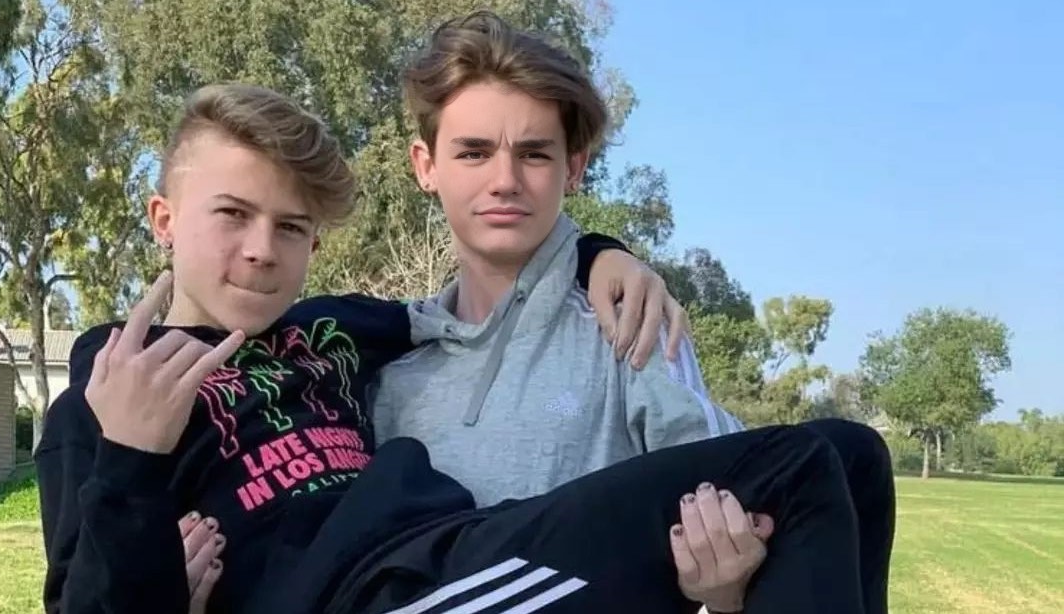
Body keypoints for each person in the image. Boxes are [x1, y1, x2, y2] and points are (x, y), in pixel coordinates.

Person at [36, 83, 871, 614]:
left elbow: (488, 272)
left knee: (847, 454)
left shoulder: (326, 334)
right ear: (164, 219)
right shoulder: (105, 402)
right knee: (797, 470)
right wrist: (131, 460)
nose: (261, 250)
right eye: (232, 215)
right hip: (363, 596)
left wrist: (597, 252)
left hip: (452, 551)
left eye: (290, 227)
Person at [373, 11, 895, 614]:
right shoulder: (384, 368)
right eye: (473, 152)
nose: (504, 180)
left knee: (851, 455)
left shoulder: (628, 322)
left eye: (534, 154)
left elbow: (743, 528)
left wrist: (727, 592)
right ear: (426, 166)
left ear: (573, 167)